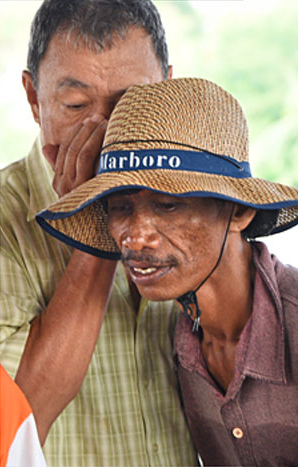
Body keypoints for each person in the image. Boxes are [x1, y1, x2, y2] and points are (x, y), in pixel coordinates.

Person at [37, 77, 298, 465]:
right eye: (121, 207)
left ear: (239, 211)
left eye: (169, 206)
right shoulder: (175, 338)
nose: (136, 238)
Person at [0, 0, 196, 464]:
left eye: (131, 104)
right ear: (33, 98)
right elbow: (18, 424)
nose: (107, 133)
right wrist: (95, 227)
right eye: (76, 105)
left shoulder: (199, 201)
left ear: (166, 89)